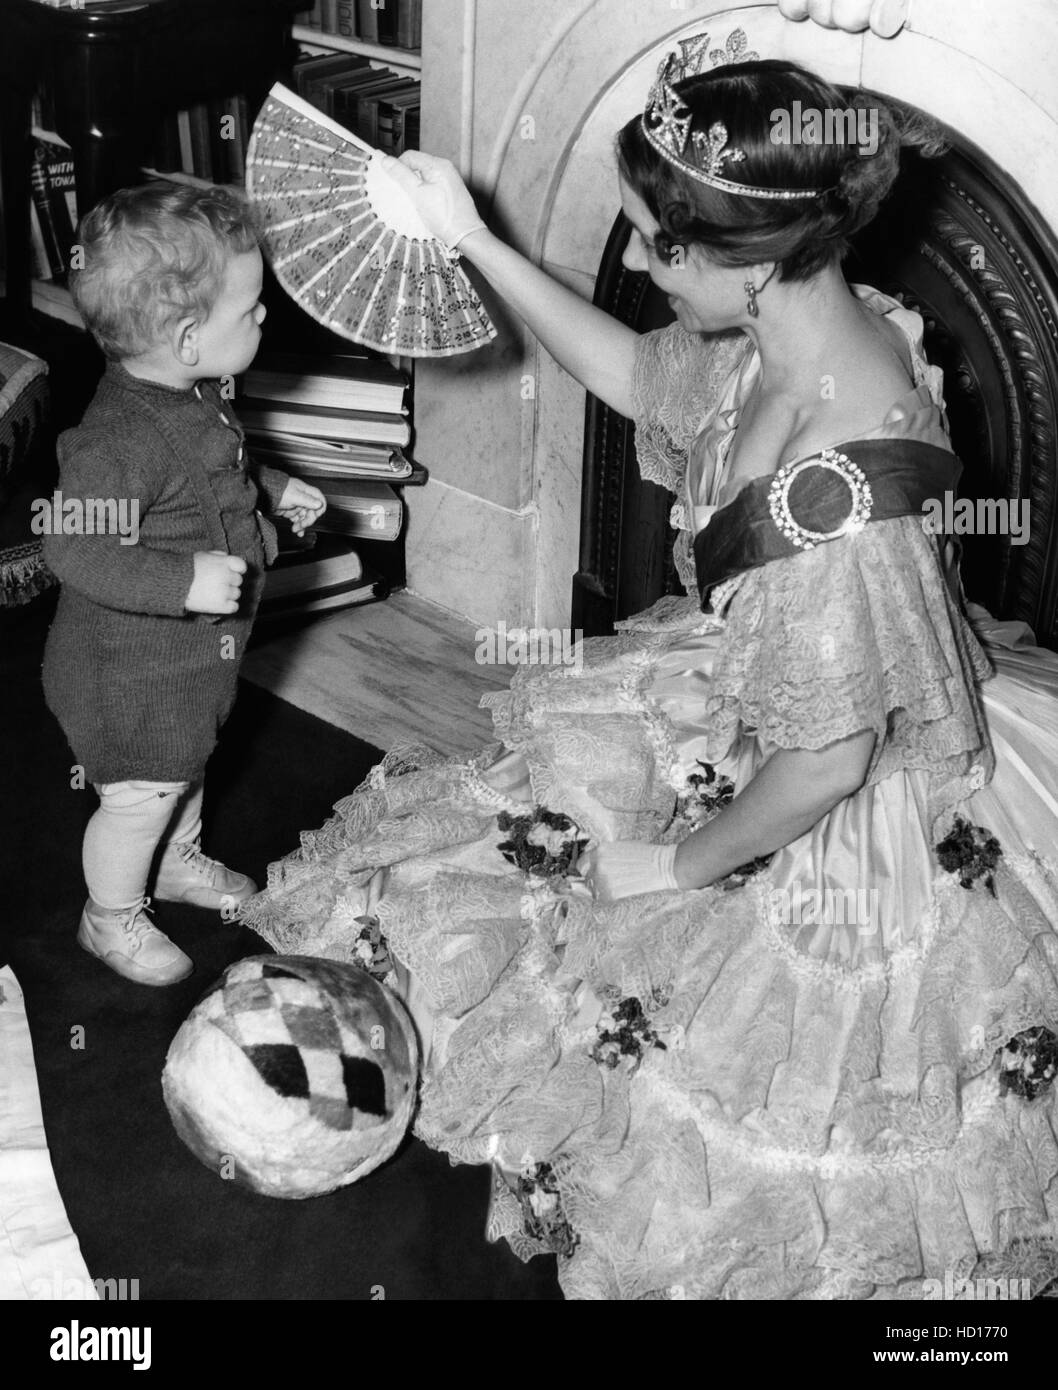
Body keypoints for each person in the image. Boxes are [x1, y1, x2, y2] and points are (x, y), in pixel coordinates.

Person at [241, 53, 1058, 1298]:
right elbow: (633, 375)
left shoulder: (834, 500)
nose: (635, 255)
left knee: (721, 1123)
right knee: (470, 897)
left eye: (655, 245)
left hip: (836, 803)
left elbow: (829, 758)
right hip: (761, 693)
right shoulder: (801, 315)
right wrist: (471, 240)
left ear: (752, 260)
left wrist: (675, 862)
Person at [43, 181, 326, 987]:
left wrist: (269, 486)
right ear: (187, 336)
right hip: (126, 675)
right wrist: (183, 580)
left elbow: (211, 470)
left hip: (187, 668)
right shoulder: (114, 441)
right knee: (140, 795)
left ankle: (174, 862)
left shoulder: (194, 391)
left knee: (187, 763)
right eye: (251, 306)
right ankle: (110, 915)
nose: (265, 315)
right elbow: (72, 548)